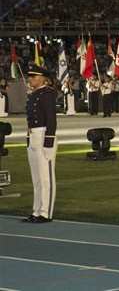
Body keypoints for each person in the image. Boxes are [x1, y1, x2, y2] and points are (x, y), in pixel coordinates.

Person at [22, 64, 57, 224]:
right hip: (33, 136)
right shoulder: (33, 94)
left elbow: (51, 119)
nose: (31, 79)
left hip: (44, 135)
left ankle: (45, 212)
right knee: (36, 178)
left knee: (45, 178)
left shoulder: (47, 94)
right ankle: (36, 210)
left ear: (43, 78)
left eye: (34, 77)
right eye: (30, 76)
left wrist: (48, 142)